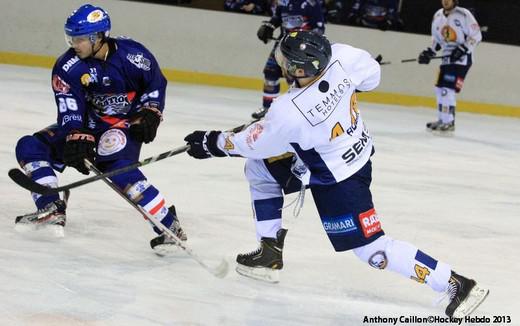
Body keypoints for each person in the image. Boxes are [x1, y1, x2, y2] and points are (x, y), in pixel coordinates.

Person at [184, 31, 489, 317]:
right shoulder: (342, 57)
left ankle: (456, 283)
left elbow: (249, 144)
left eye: (287, 61)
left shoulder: (288, 112)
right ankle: (269, 251)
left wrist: (210, 142)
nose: (283, 64)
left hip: (338, 178)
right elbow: (372, 77)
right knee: (260, 170)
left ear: (300, 70)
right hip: (349, 149)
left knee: (372, 250)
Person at [14, 4, 186, 253]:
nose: (73, 43)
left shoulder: (134, 56)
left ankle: (169, 226)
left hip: (122, 124)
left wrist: (151, 112)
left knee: (120, 171)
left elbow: (155, 84)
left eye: (80, 38)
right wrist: (76, 136)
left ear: (98, 37)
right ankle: (50, 207)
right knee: (30, 146)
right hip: (88, 122)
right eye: (70, 37)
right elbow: (69, 106)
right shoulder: (67, 66)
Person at [252, 0, 325, 119]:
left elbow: (319, 28)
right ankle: (268, 108)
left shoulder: (311, 3)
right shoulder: (283, 2)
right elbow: (277, 18)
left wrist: (307, 44)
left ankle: (301, 110)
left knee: (295, 79)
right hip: (282, 45)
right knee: (270, 72)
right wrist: (269, 26)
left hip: (299, 50)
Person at [418, 0, 481, 132]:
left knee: (447, 89)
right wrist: (429, 52)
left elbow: (476, 35)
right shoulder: (438, 16)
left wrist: (462, 49)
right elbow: (437, 40)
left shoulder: (464, 14)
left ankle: (449, 122)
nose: (446, 1)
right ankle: (442, 119)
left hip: (462, 60)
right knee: (440, 89)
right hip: (446, 59)